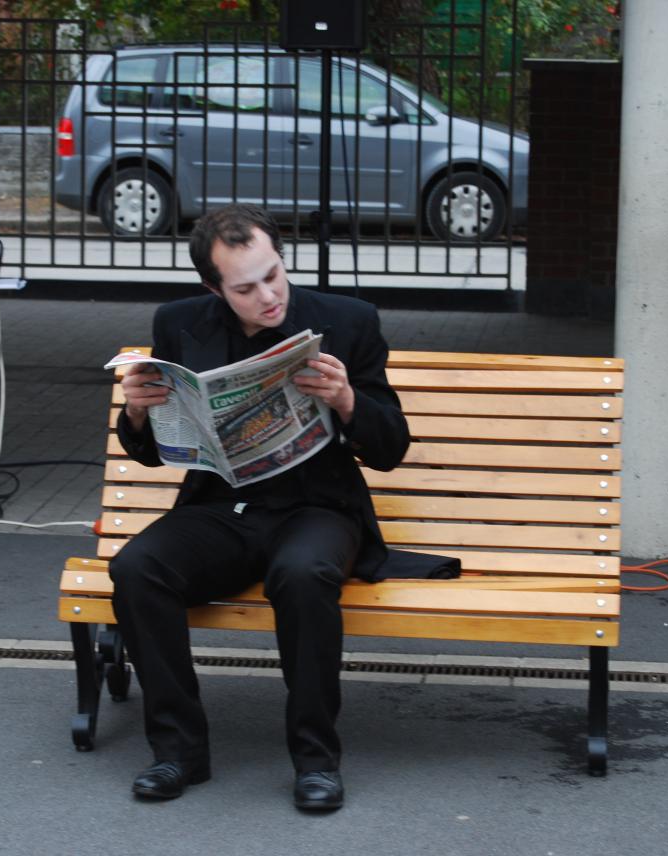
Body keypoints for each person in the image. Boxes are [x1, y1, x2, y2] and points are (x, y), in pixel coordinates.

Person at [110, 203, 449, 811]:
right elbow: (151, 454)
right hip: (224, 508)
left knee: (302, 573)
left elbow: (392, 446)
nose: (268, 295)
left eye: (274, 274)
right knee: (138, 568)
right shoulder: (180, 324)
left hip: (319, 508)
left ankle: (316, 759)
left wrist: (347, 400)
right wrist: (136, 411)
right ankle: (178, 752)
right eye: (245, 287)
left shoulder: (348, 321)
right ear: (214, 288)